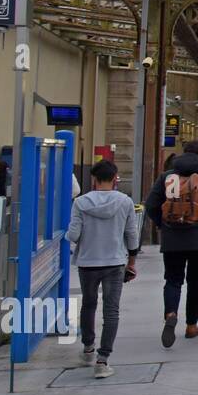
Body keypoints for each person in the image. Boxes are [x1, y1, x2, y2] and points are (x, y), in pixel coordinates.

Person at [145, 140, 198, 348]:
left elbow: (151, 205)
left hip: (172, 240)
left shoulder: (167, 178)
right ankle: (191, 325)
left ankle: (171, 313)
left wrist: (163, 224)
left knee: (172, 280)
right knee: (195, 282)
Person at [65, 160, 140, 379]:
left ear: (94, 179)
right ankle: (102, 360)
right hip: (115, 262)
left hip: (88, 263)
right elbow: (132, 234)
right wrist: (132, 261)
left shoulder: (80, 203)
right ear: (115, 178)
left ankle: (88, 348)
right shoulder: (125, 202)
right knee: (111, 310)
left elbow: (74, 235)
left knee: (88, 305)